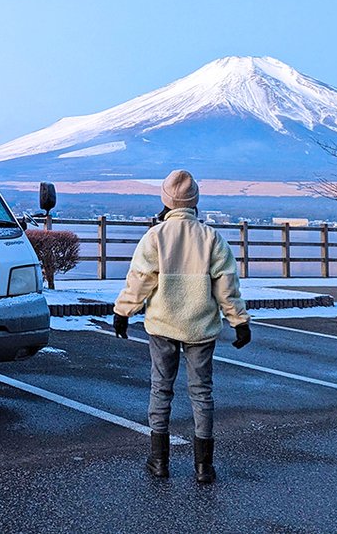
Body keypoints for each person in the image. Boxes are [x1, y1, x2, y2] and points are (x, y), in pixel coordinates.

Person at [112, 169, 251, 484]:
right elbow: (227, 287)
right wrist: (239, 321)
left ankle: (159, 461)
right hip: (201, 327)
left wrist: (123, 312)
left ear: (166, 200)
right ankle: (204, 466)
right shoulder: (211, 237)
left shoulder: (156, 236)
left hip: (162, 324)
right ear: (195, 200)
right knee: (202, 392)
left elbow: (139, 280)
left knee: (161, 389)